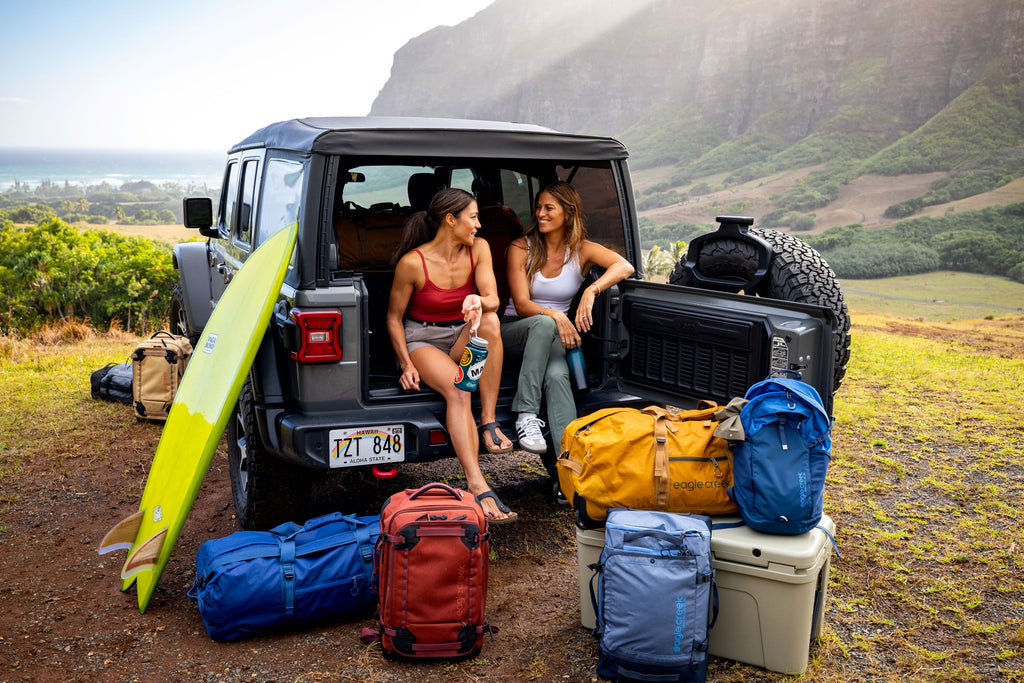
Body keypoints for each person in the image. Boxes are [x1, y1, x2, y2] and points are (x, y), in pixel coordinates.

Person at [386, 187, 517, 524]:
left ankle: (488, 421)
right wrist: (405, 363)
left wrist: (477, 301)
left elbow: (493, 299)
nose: (478, 225)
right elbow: (393, 318)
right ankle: (477, 485)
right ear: (450, 219)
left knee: (490, 322)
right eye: (473, 217)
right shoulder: (413, 263)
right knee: (459, 390)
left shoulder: (480, 249)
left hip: (462, 333)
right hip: (423, 338)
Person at [501, 181, 634, 497]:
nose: (541, 214)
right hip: (513, 331)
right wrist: (559, 315)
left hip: (552, 338)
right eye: (539, 207)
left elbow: (623, 266)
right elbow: (521, 304)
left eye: (549, 208)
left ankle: (570, 479)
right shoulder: (521, 248)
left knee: (559, 377)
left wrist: (592, 289)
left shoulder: (581, 250)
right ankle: (526, 414)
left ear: (568, 212)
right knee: (545, 326)